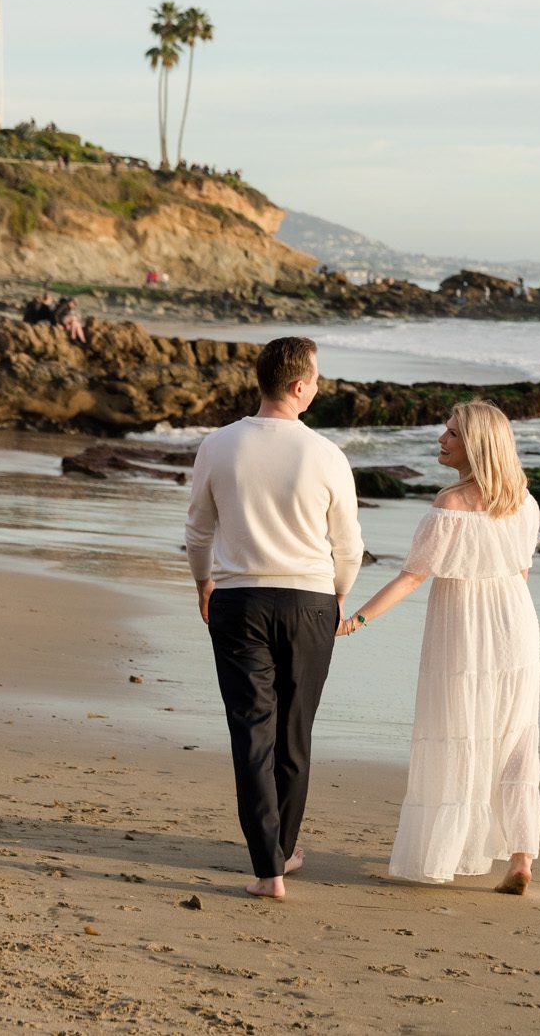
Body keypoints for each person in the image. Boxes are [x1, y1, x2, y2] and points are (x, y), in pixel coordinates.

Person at [337, 400, 540, 894]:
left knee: (458, 731)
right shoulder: (524, 501)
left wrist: (354, 621)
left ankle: (447, 852)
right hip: (516, 623)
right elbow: (521, 572)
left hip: (464, 627)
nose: (441, 439)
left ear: (476, 445)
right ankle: (521, 857)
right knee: (515, 737)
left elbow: (412, 577)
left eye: (452, 433)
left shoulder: (450, 505)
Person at [186, 337, 363, 900]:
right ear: (298, 386)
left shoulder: (218, 444)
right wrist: (337, 595)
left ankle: (270, 870)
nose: (319, 387)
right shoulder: (326, 454)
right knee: (294, 733)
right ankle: (283, 850)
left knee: (252, 734)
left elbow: (198, 530)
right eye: (317, 379)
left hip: (238, 600)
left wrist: (203, 582)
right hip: (309, 602)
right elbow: (349, 545)